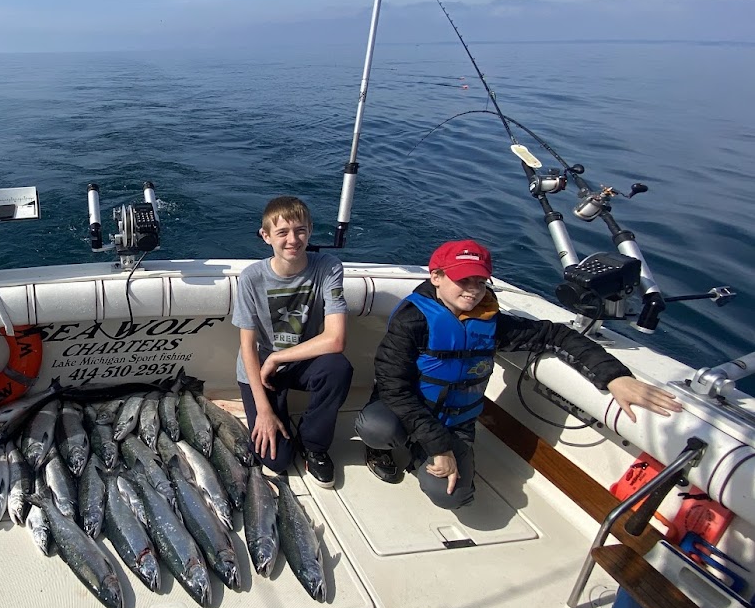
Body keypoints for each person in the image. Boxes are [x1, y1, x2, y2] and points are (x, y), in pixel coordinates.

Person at [355, 239, 684, 509]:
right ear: (437, 276)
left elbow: (555, 335)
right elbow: (393, 386)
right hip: (406, 409)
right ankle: (387, 448)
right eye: (462, 280)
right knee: (376, 427)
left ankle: (420, 454)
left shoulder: (493, 323)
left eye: (480, 282)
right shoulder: (411, 321)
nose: (472, 290)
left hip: (454, 420)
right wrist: (438, 447)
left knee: (454, 497)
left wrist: (614, 376)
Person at [233, 196, 353, 487]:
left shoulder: (328, 267)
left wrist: (278, 357)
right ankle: (267, 411)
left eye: (300, 230)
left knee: (338, 368)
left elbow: (336, 339)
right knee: (277, 460)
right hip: (260, 369)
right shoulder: (251, 278)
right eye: (282, 232)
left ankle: (314, 443)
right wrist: (263, 410)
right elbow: (248, 347)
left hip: (298, 361)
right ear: (266, 236)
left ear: (310, 230)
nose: (293, 239)